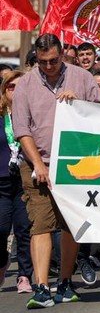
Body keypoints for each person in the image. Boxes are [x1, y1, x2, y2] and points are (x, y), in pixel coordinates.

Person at [13, 34, 100, 308]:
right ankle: (41, 287)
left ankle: (65, 282)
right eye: (43, 62)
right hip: (37, 164)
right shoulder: (26, 84)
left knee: (70, 226)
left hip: (76, 165)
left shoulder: (82, 78)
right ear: (36, 59)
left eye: (54, 60)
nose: (49, 66)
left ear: (63, 54)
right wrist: (38, 165)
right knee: (40, 225)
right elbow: (22, 129)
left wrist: (79, 103)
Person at [0, 71, 33, 294]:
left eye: (20, 87)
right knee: (1, 228)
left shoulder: (32, 114)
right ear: (4, 90)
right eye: (11, 87)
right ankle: (3, 262)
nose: (16, 90)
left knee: (24, 229)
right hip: (1, 182)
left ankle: (24, 275)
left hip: (25, 179)